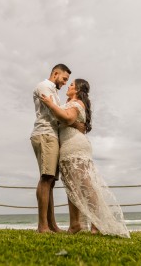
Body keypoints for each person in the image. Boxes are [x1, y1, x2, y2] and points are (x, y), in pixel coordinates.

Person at [40, 78, 130, 238]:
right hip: (67, 146)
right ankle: (75, 224)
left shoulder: (77, 103)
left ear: (78, 90)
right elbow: (66, 120)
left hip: (75, 147)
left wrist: (49, 103)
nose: (69, 86)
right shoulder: (69, 104)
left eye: (72, 85)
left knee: (86, 186)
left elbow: (67, 118)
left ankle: (96, 224)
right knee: (72, 187)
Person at [30, 64, 71, 233]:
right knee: (46, 179)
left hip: (51, 136)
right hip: (45, 134)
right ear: (55, 74)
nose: (65, 83)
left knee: (50, 181)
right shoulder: (43, 86)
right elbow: (55, 113)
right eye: (64, 79)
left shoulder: (53, 91)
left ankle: (51, 224)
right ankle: (43, 226)